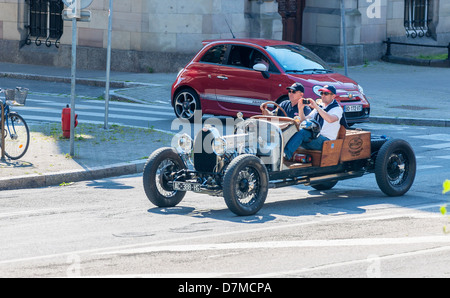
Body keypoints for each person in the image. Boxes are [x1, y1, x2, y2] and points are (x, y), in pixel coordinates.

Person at [284, 85, 343, 160]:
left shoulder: (337, 109)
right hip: (315, 137)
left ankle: (284, 156)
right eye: (321, 93)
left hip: (326, 141)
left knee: (302, 132)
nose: (323, 96)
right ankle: (276, 155)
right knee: (291, 131)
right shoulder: (321, 107)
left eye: (326, 94)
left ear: (333, 96)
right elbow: (303, 120)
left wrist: (317, 107)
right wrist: (300, 108)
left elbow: (330, 119)